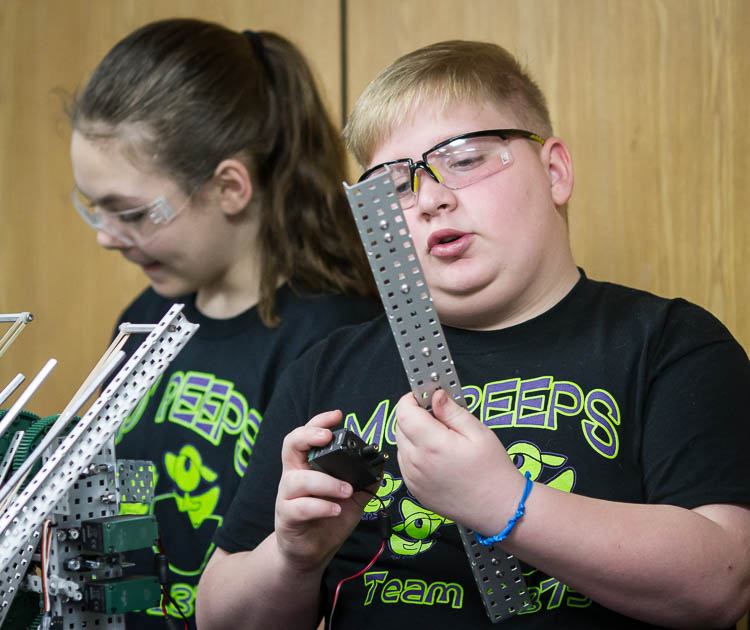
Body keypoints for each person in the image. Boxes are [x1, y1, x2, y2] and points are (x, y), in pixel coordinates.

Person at [196, 40, 750, 629]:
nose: (431, 198)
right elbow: (218, 618)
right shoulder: (325, 369)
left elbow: (723, 582)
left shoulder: (670, 344)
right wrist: (293, 557)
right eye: (394, 184)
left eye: (463, 159)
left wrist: (504, 504)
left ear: (555, 171)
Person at [68, 18, 380, 629]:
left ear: (230, 187)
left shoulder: (338, 341)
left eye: (131, 212)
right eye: (93, 209)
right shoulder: (143, 321)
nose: (106, 239)